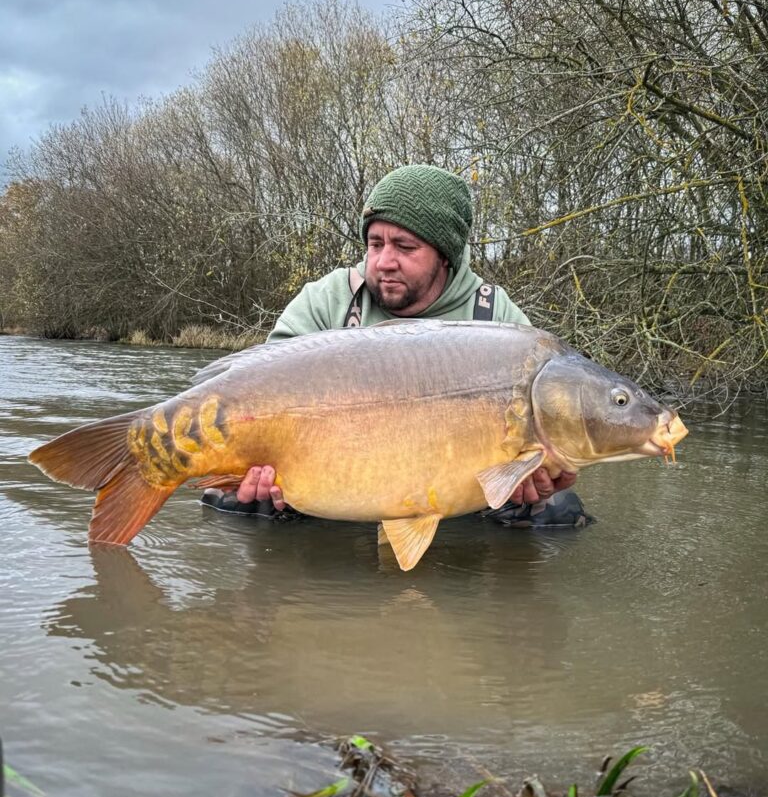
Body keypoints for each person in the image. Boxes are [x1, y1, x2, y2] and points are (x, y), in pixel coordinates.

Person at [202, 164, 588, 527]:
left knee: (558, 511)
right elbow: (258, 389)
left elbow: (539, 444)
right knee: (231, 499)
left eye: (404, 247)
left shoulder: (498, 320)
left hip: (455, 494)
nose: (384, 261)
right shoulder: (327, 301)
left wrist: (531, 484)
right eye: (375, 243)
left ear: (444, 256)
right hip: (326, 484)